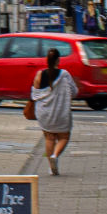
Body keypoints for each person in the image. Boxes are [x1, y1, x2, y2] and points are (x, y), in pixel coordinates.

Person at [30, 48, 76, 176]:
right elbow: (74, 91)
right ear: (58, 60)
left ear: (47, 60)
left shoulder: (39, 74)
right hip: (61, 112)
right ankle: (55, 155)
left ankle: (51, 168)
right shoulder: (65, 74)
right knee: (64, 137)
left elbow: (35, 94)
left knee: (49, 138)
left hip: (44, 113)